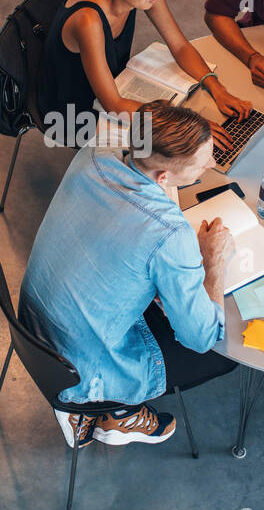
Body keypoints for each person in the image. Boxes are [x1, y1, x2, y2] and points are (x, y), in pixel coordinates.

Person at [19, 100, 240, 448]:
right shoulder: (169, 233)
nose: (212, 164)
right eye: (204, 162)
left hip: (33, 324)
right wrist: (212, 262)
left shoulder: (97, 149)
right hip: (79, 367)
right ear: (163, 178)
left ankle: (106, 409)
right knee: (224, 355)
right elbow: (201, 337)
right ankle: (118, 411)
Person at [37, 0, 252, 152]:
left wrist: (217, 89)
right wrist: (189, 123)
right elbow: (114, 105)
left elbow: (179, 46)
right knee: (171, 147)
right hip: (74, 112)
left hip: (112, 86)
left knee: (188, 108)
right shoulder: (88, 21)